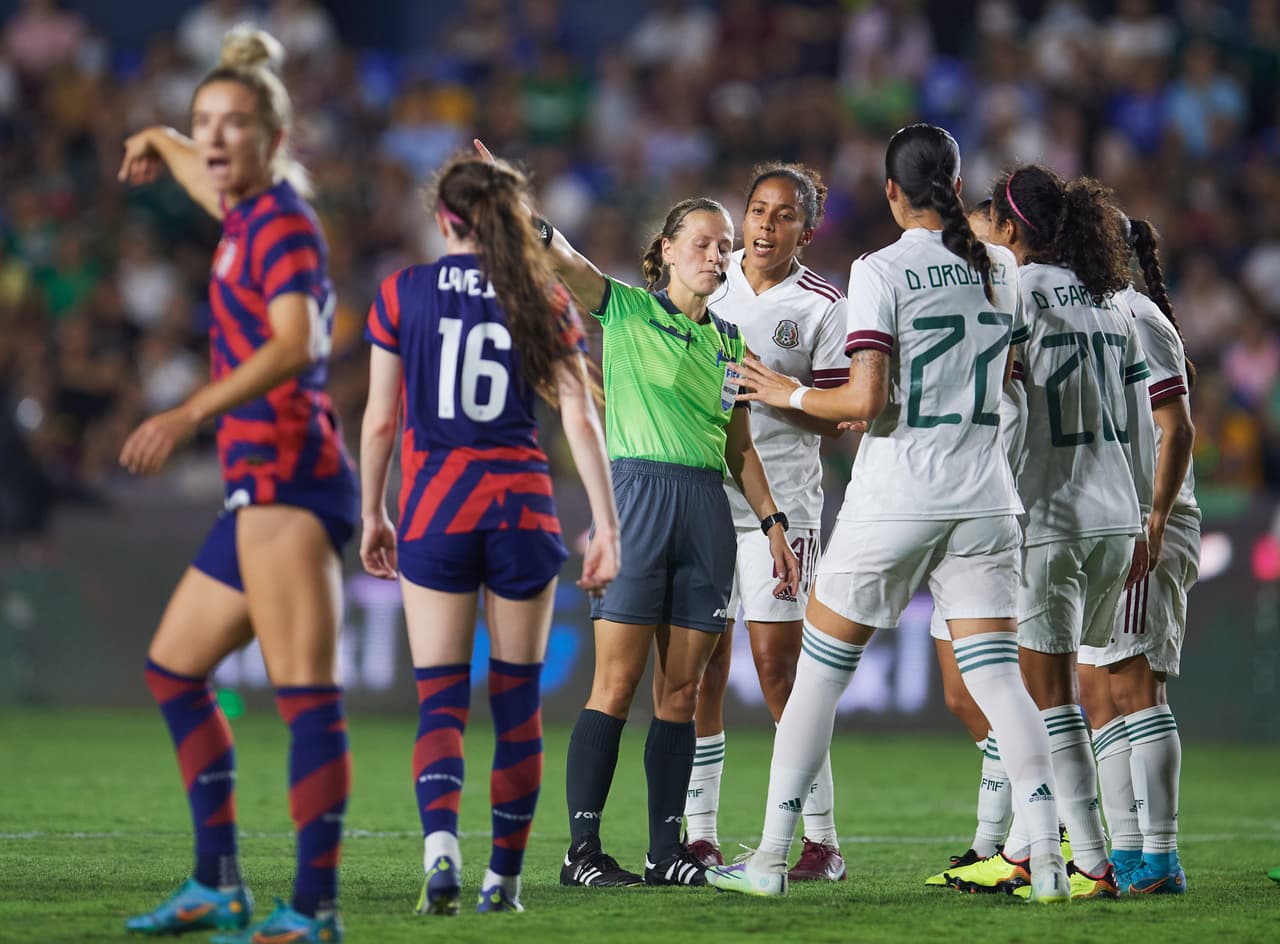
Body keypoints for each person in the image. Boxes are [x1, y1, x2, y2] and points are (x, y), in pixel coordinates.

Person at [708, 123, 1070, 902]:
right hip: (985, 500)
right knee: (1002, 685)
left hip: (899, 496)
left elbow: (866, 402)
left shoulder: (879, 268)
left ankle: (771, 860)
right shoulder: (1004, 268)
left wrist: (785, 391)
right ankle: (1046, 864)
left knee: (816, 679)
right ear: (954, 183)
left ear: (892, 193)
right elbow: (1013, 372)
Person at [472, 139, 800, 888]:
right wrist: (509, 200)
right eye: (705, 243)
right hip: (640, 500)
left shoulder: (729, 341)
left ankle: (664, 852)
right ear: (667, 250)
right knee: (614, 686)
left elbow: (739, 449)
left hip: (707, 517)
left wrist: (775, 528)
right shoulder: (622, 310)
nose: (720, 254)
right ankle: (580, 853)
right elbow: (563, 258)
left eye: (726, 245)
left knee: (680, 693)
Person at [118, 26, 354, 944]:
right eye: (201, 123)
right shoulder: (246, 213)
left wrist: (186, 413)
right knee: (174, 669)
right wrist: (156, 137)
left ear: (274, 141)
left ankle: (315, 908)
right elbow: (192, 167)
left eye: (233, 125)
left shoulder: (282, 224)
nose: (211, 140)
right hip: (256, 484)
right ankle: (217, 885)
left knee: (305, 697)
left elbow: (296, 344)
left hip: (290, 477)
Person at [357, 152, 620, 915]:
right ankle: (501, 883)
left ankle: (440, 852)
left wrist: (375, 512)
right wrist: (607, 527)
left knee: (439, 702)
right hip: (520, 512)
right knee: (517, 709)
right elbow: (579, 415)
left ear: (442, 218)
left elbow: (379, 420)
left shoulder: (401, 292)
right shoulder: (539, 293)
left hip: (436, 510)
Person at [942, 164, 1155, 901]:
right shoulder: (1109, 302)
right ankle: (1032, 850)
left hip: (1048, 520)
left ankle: (1092, 861)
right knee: (1051, 692)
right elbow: (1140, 421)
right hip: (1116, 518)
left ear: (1008, 229)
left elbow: (1003, 410)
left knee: (1047, 697)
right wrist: (1147, 513)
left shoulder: (1012, 294)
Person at [680, 162, 850, 880]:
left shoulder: (823, 305)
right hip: (704, 500)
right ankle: (700, 833)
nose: (764, 227)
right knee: (700, 672)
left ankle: (822, 841)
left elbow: (842, 416)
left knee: (781, 671)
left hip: (785, 510)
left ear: (806, 231)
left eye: (783, 216)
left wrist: (778, 391)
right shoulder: (706, 283)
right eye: (757, 211)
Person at [1077, 216, 1198, 896]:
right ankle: (1125, 852)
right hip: (1106, 522)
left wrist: (1154, 515)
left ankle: (1161, 855)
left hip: (1148, 520)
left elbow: (1175, 424)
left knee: (1133, 684)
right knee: (1099, 690)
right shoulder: (1089, 314)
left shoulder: (1137, 316)